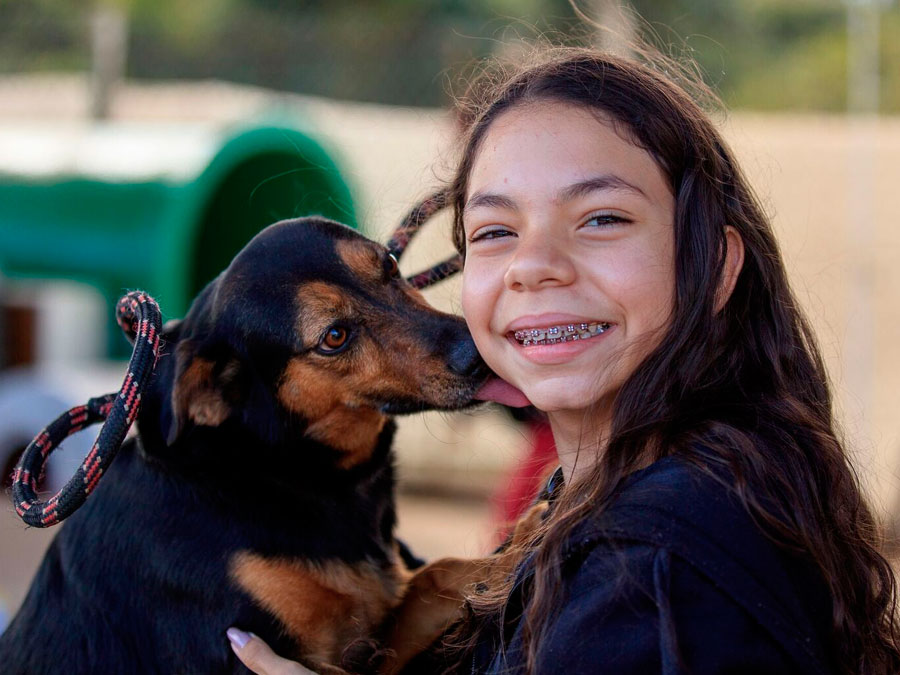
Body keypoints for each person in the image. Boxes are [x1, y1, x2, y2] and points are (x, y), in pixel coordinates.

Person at [226, 46, 900, 674]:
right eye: (495, 231)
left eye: (601, 218)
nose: (534, 265)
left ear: (715, 266)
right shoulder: (681, 490)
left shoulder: (656, 565)